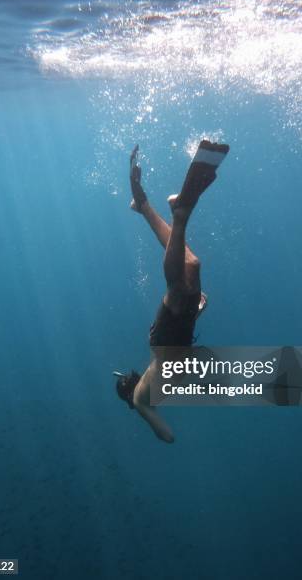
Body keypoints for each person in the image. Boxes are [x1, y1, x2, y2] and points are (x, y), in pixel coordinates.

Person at [115, 140, 230, 443]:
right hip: (176, 334)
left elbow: (168, 437)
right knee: (192, 264)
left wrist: (146, 417)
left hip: (166, 340)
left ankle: (180, 214)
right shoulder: (158, 387)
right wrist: (198, 312)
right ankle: (146, 208)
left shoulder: (141, 400)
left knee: (178, 283)